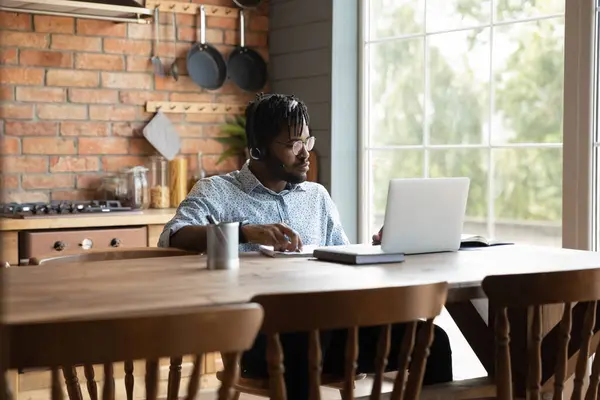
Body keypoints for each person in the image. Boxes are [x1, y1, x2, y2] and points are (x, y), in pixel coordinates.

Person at [159, 93, 452, 399]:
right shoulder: (218, 191)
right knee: (307, 336)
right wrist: (245, 233)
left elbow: (342, 260)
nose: (305, 154)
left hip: (331, 328)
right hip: (260, 335)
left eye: (307, 141)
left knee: (432, 341)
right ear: (257, 149)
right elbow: (173, 235)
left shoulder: (317, 196)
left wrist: (378, 248)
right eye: (292, 144)